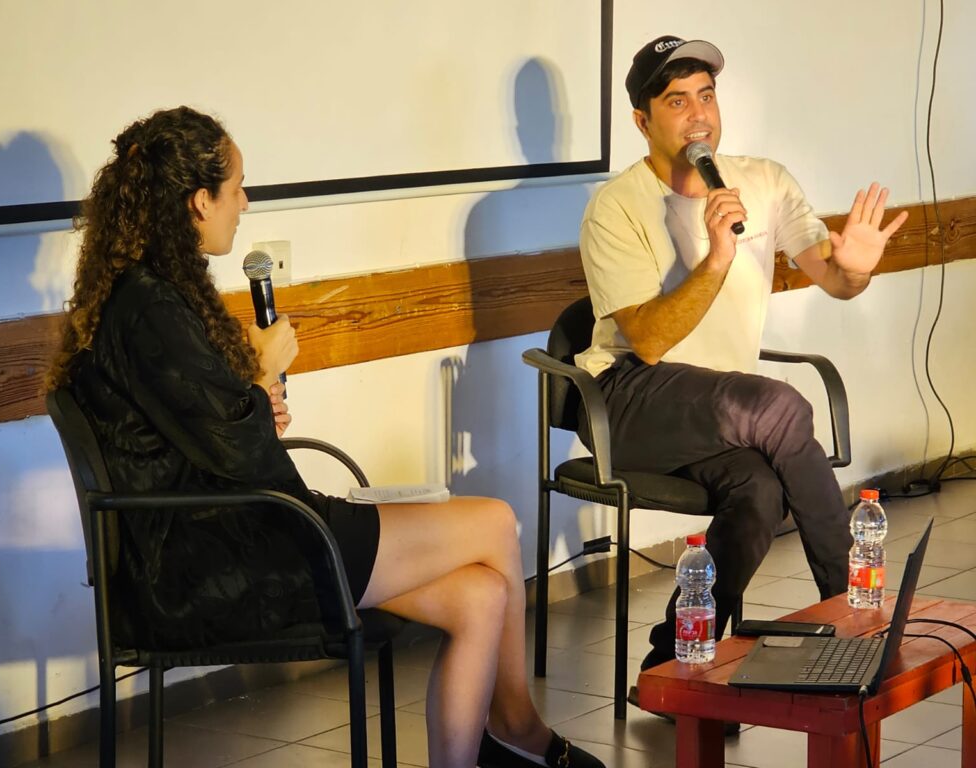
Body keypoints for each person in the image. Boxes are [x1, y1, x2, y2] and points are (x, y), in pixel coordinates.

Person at [46, 107, 603, 768]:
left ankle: (490, 742)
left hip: (233, 535)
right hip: (220, 564)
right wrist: (260, 376)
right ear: (199, 202)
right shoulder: (149, 307)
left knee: (480, 596)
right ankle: (519, 725)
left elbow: (209, 435)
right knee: (495, 523)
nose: (244, 204)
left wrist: (252, 400)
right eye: (237, 189)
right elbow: (240, 454)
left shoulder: (147, 294)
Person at [575, 37, 908, 703]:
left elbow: (834, 278)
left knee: (758, 492)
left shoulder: (762, 182)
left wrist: (856, 270)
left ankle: (672, 670)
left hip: (723, 414)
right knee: (780, 406)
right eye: (677, 101)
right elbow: (649, 341)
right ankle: (856, 612)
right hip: (629, 400)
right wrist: (717, 257)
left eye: (706, 95)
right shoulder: (615, 207)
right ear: (642, 121)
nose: (698, 114)